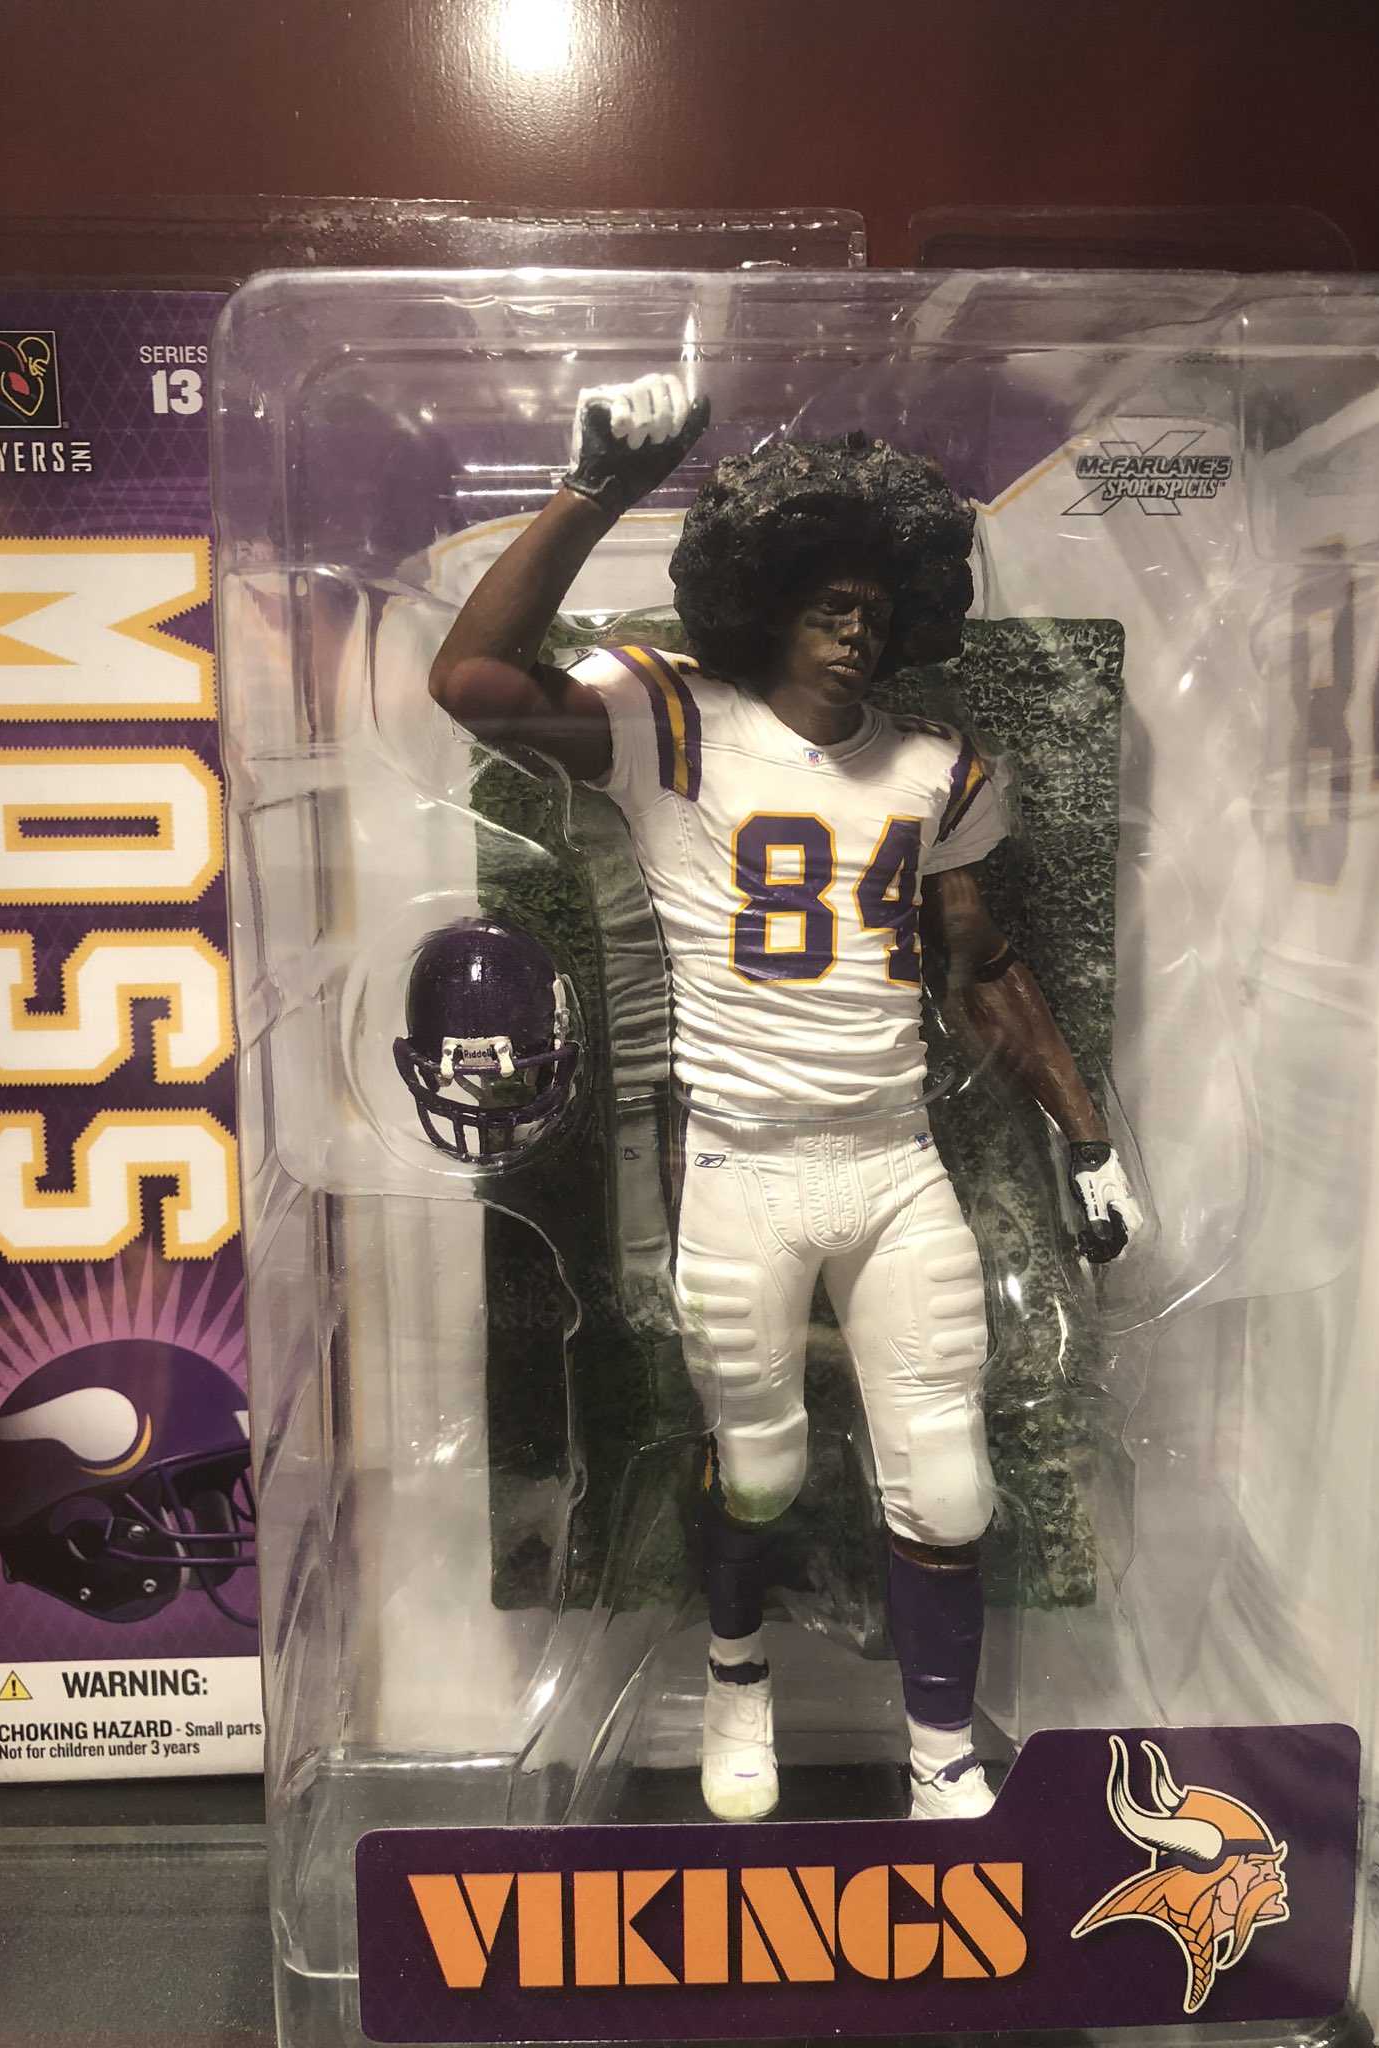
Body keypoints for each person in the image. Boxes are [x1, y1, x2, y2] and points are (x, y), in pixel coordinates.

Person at [429, 372, 1141, 1821]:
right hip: (744, 1168)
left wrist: (1089, 1140)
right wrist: (599, 488)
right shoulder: (671, 725)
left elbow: (985, 969)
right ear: (761, 597)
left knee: (949, 1483)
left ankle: (941, 1750)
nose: (854, 617)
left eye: (875, 595)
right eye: (825, 592)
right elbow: (472, 681)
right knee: (757, 1469)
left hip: (893, 1162)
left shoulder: (939, 771)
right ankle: (737, 1676)